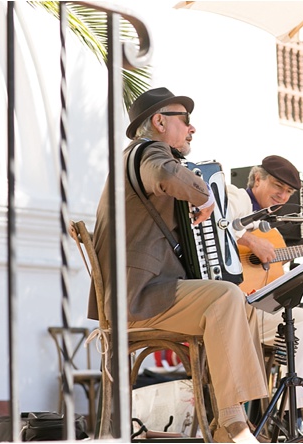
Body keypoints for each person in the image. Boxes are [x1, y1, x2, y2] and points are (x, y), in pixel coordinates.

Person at [90, 87, 268, 443]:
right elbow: (168, 176)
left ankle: (227, 424)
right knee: (225, 297)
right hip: (138, 297)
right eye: (184, 119)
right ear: (159, 122)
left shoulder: (132, 159)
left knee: (242, 306)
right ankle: (234, 424)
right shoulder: (147, 151)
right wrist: (203, 195)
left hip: (142, 292)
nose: (192, 128)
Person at [227, 155, 303, 415]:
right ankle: (293, 410)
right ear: (257, 179)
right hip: (232, 306)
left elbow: (278, 287)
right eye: (277, 187)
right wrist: (252, 242)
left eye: (288, 192)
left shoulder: (272, 232)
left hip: (259, 308)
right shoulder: (236, 198)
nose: (283, 196)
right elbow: (214, 221)